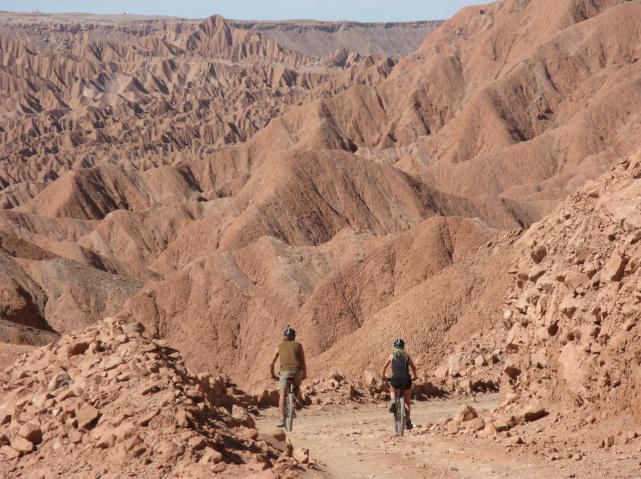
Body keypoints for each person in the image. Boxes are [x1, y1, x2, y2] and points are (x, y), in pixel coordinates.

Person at [270, 326, 307, 428]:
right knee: (296, 386)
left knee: (282, 395)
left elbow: (271, 364)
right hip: (297, 371)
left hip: (284, 372)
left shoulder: (279, 346)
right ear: (294, 337)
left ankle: (282, 419)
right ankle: (295, 401)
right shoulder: (299, 345)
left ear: (285, 337)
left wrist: (272, 374)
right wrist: (305, 374)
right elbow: (303, 361)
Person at [382, 338, 417, 430]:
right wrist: (415, 376)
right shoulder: (406, 355)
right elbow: (413, 367)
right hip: (406, 379)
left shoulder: (391, 355)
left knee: (392, 389)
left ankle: (393, 400)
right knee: (407, 400)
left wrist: (383, 376)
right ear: (403, 346)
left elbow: (384, 367)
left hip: (395, 379)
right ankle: (408, 420)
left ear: (394, 347)